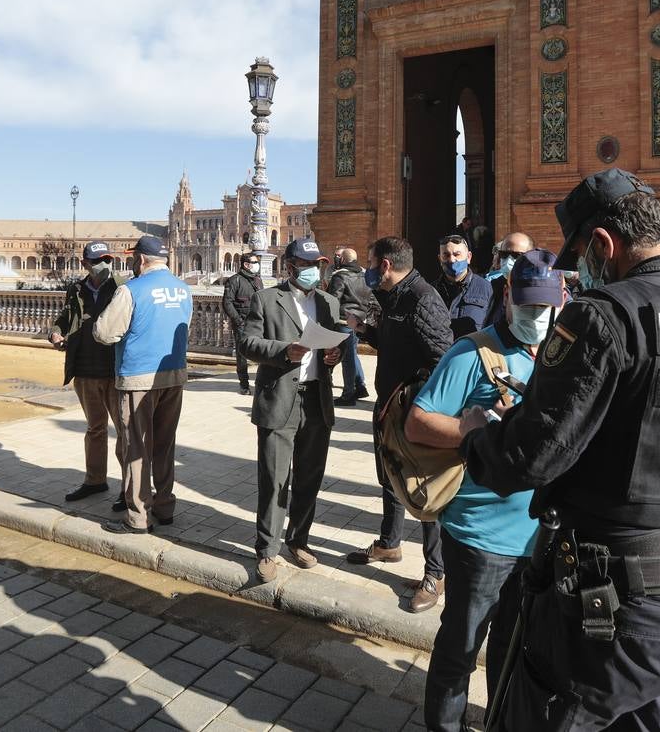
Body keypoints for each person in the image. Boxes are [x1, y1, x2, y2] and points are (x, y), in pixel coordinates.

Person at [458, 169, 660, 728]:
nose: (580, 269)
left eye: (579, 253)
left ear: (603, 243)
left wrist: (479, 434)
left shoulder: (606, 314)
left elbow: (533, 455)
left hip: (610, 606)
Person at [408, 248, 563, 732]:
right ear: (507, 296)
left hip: (541, 540)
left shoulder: (567, 354)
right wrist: (468, 430)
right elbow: (418, 421)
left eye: (546, 307)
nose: (537, 317)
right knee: (460, 647)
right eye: (528, 305)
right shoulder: (472, 352)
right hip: (479, 536)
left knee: (515, 651)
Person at [346, 236, 453, 613]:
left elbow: (443, 358)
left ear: (386, 266)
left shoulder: (422, 298)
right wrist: (366, 331)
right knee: (389, 477)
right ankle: (389, 544)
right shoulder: (393, 297)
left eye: (371, 263)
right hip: (388, 405)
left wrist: (423, 407)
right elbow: (397, 344)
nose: (368, 271)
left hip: (414, 411)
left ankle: (436, 572)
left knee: (424, 492)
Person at [240, 238, 345, 582]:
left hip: (316, 398)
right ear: (289, 267)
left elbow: (336, 340)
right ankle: (267, 550)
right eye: (306, 264)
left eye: (318, 264)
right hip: (279, 398)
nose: (314, 271)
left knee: (309, 477)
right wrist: (286, 351)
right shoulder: (267, 299)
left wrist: (334, 356)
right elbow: (247, 343)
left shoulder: (329, 301)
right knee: (274, 479)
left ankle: (298, 539)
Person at [94, 235, 192, 535]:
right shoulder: (183, 288)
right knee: (164, 444)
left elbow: (105, 332)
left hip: (139, 376)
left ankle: (138, 515)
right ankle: (165, 506)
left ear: (140, 260)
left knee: (137, 446)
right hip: (174, 374)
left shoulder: (131, 289)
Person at [51, 241, 125, 506]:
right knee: (95, 428)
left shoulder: (122, 287)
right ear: (85, 264)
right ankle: (95, 480)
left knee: (124, 430)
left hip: (114, 370)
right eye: (96, 261)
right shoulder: (77, 288)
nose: (102, 265)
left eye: (106, 259)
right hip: (83, 368)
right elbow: (64, 317)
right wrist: (56, 331)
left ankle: (129, 489)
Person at [326, 246, 371, 406]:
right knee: (352, 354)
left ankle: (348, 394)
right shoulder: (365, 275)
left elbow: (333, 299)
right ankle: (360, 387)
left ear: (343, 260)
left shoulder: (340, 276)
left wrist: (327, 320)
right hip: (359, 321)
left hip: (344, 320)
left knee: (347, 358)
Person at [434, 233, 493, 340]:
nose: (452, 260)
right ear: (439, 259)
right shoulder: (431, 292)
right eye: (446, 255)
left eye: (457, 254)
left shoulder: (486, 288)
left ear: (468, 257)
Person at [222, 252, 264, 394]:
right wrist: (238, 320)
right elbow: (227, 303)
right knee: (242, 355)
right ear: (246, 265)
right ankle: (244, 384)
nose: (257, 265)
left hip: (258, 322)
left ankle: (261, 382)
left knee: (262, 352)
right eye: (254, 262)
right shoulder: (235, 280)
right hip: (242, 322)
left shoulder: (258, 280)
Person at [483, 231, 533, 327]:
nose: (509, 260)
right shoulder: (495, 287)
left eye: (517, 255)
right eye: (504, 255)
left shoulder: (541, 290)